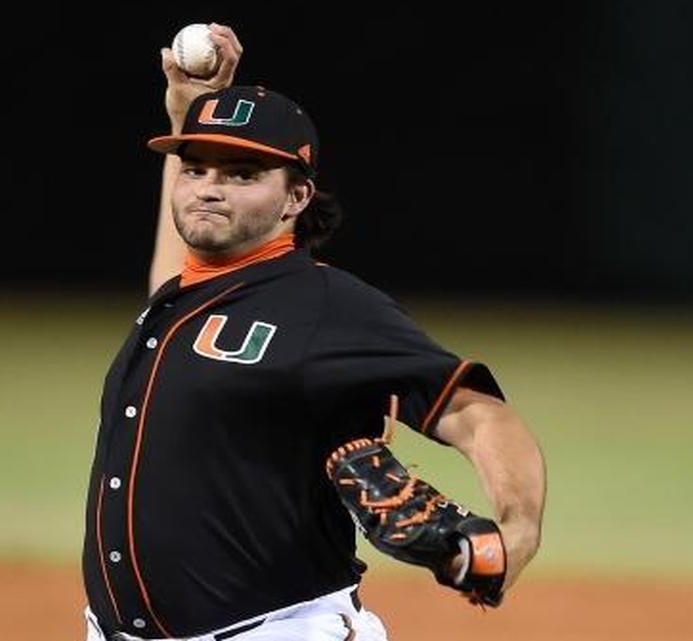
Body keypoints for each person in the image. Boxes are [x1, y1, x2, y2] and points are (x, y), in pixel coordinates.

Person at [82, 23, 546, 641]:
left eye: (243, 174)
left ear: (296, 196)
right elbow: (179, 266)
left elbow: (479, 413)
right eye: (196, 169)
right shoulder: (182, 297)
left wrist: (518, 534)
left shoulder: (326, 306)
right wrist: (187, 112)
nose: (210, 189)